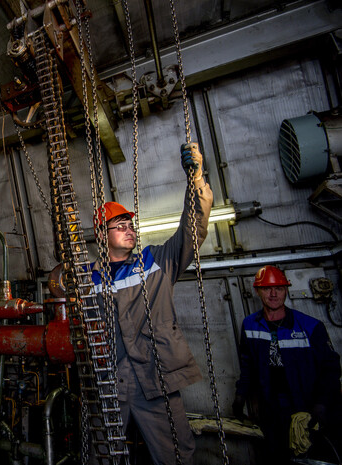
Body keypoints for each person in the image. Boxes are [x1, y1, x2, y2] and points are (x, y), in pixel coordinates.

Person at [90, 142, 212, 465]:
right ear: (102, 235)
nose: (129, 229)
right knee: (101, 455)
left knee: (176, 455)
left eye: (131, 225)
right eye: (120, 225)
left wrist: (197, 178)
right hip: (110, 381)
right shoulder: (88, 281)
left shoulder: (156, 262)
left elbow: (192, 230)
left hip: (154, 379)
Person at [233, 265, 341, 463]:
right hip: (272, 409)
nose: (273, 294)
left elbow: (331, 369)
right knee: (279, 457)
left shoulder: (311, 326)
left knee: (315, 457)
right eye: (267, 289)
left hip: (308, 407)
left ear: (286, 290)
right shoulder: (249, 325)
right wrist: (241, 395)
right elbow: (247, 364)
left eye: (279, 288)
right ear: (257, 291)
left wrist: (322, 404)